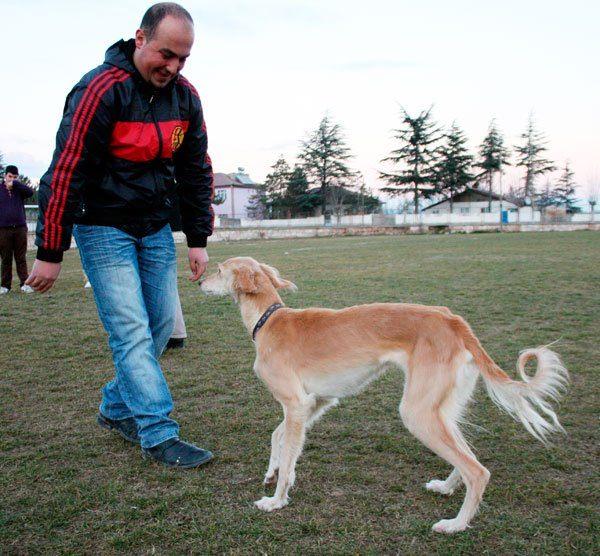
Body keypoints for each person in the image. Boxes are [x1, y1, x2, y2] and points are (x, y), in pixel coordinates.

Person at [26, 2, 215, 468]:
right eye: (166, 54)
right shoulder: (99, 90)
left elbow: (196, 170)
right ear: (140, 38)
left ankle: (115, 408)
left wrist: (197, 237)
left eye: (183, 59)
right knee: (130, 330)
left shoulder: (186, 98)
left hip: (153, 228)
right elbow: (66, 171)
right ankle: (157, 431)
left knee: (157, 325)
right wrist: (51, 249)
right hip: (102, 226)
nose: (172, 67)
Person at [0, 165, 35, 294]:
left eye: (15, 177)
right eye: (10, 176)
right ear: (5, 176)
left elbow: (30, 192)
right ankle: (5, 286)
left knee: (21, 258)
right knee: (6, 258)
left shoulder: (19, 189)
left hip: (20, 228)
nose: (12, 179)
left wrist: (16, 184)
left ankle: (25, 284)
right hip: (3, 230)